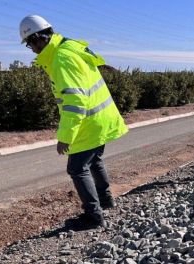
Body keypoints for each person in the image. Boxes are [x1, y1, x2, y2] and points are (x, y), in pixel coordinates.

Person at [19, 15, 128, 230]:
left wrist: (65, 137)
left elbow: (74, 103)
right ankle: (106, 201)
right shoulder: (70, 48)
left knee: (77, 168)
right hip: (102, 117)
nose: (31, 49)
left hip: (89, 120)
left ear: (40, 38)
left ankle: (93, 217)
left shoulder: (61, 59)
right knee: (94, 159)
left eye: (30, 43)